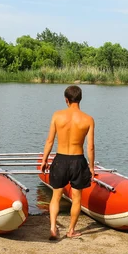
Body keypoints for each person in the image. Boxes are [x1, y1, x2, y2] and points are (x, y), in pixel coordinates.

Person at [40, 85, 95, 240]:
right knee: (77, 198)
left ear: (66, 99)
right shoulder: (88, 119)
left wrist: (44, 159)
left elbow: (50, 140)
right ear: (80, 98)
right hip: (78, 160)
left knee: (56, 196)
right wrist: (91, 167)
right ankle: (71, 230)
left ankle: (52, 228)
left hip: (60, 159)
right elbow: (90, 147)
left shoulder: (57, 116)